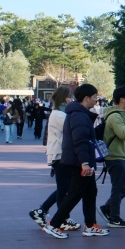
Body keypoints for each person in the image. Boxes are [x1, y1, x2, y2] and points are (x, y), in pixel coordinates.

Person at [43, 83, 108, 239]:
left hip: (79, 159)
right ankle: (54, 224)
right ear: (86, 98)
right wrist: (85, 162)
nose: (96, 100)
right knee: (74, 194)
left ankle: (91, 224)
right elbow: (80, 141)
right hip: (79, 161)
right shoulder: (79, 115)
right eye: (94, 97)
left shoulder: (78, 113)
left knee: (90, 192)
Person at [29, 87, 80, 232]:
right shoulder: (59, 115)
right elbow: (70, 132)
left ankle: (43, 210)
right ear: (65, 98)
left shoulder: (59, 113)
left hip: (60, 154)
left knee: (64, 187)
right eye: (70, 97)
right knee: (65, 188)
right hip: (60, 154)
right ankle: (62, 217)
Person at [99, 86, 125, 229]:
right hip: (115, 157)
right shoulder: (115, 116)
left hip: (123, 155)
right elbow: (123, 134)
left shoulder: (122, 113)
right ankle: (114, 218)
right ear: (121, 99)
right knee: (119, 188)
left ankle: (107, 208)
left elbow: (123, 139)